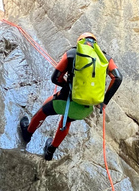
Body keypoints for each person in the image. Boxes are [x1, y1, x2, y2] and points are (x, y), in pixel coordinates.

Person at [19, 32, 122, 160]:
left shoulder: (72, 53)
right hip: (86, 108)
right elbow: (117, 77)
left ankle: (27, 134)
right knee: (66, 121)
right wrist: (104, 102)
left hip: (65, 100)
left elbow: (55, 78)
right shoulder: (104, 58)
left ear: (80, 41)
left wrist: (67, 85)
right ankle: (50, 151)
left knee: (43, 111)